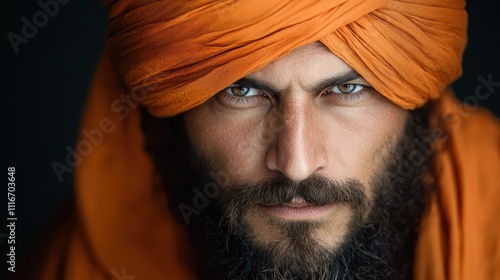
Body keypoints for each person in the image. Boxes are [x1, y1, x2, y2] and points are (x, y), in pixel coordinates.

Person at [16, 0, 499, 279]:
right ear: (167, 116)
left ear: (419, 99)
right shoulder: (67, 266)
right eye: (241, 91)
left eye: (347, 89)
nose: (296, 163)